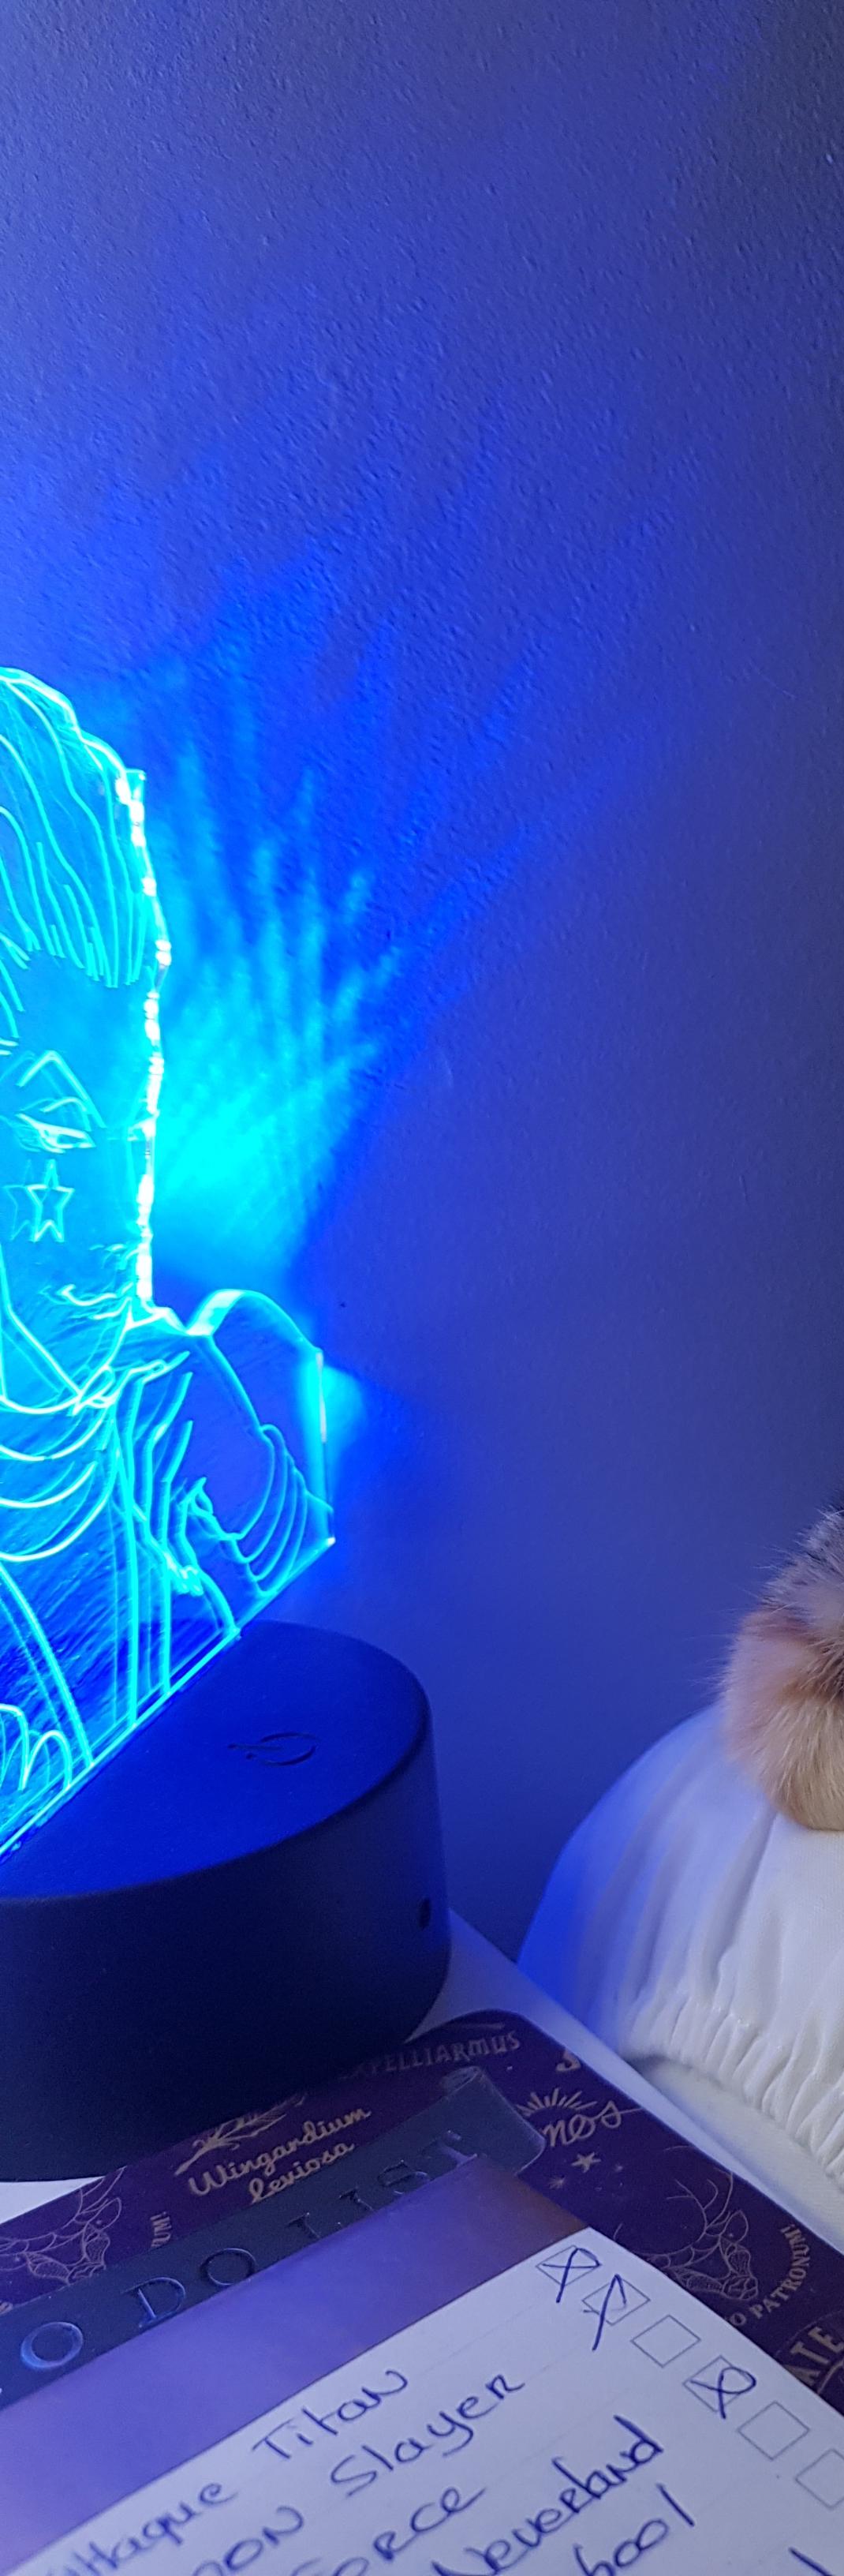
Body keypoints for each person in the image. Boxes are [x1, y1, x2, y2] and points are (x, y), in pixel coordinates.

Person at [0, 672, 328, 1856]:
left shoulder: (199, 1406)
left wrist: (266, 1522)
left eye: (129, 1125)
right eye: (49, 1128)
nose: (105, 1219)